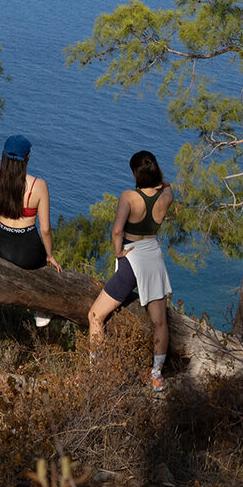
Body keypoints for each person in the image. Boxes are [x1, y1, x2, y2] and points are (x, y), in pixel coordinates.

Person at [86, 150, 175, 393]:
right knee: (160, 323)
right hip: (154, 258)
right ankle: (156, 375)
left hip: (131, 260)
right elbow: (167, 186)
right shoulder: (166, 197)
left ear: (136, 173)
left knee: (95, 316)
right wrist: (162, 184)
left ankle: (98, 371)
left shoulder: (128, 197)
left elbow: (117, 231)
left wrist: (118, 252)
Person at [0, 134, 62, 352]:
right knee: (43, 270)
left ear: (3, 156)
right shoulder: (38, 186)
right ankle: (41, 313)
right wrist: (49, 256)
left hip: (0, 245)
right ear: (27, 158)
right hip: (28, 249)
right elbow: (46, 229)